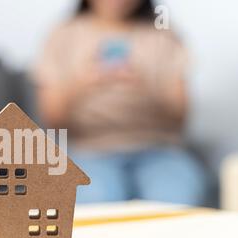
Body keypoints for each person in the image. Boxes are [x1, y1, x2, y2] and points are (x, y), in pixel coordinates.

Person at [34, 0, 208, 205]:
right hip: (89, 151)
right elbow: (52, 119)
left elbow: (180, 117)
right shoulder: (64, 35)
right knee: (96, 205)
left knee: (176, 201)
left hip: (158, 150)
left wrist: (145, 85)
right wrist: (84, 83)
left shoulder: (163, 33)